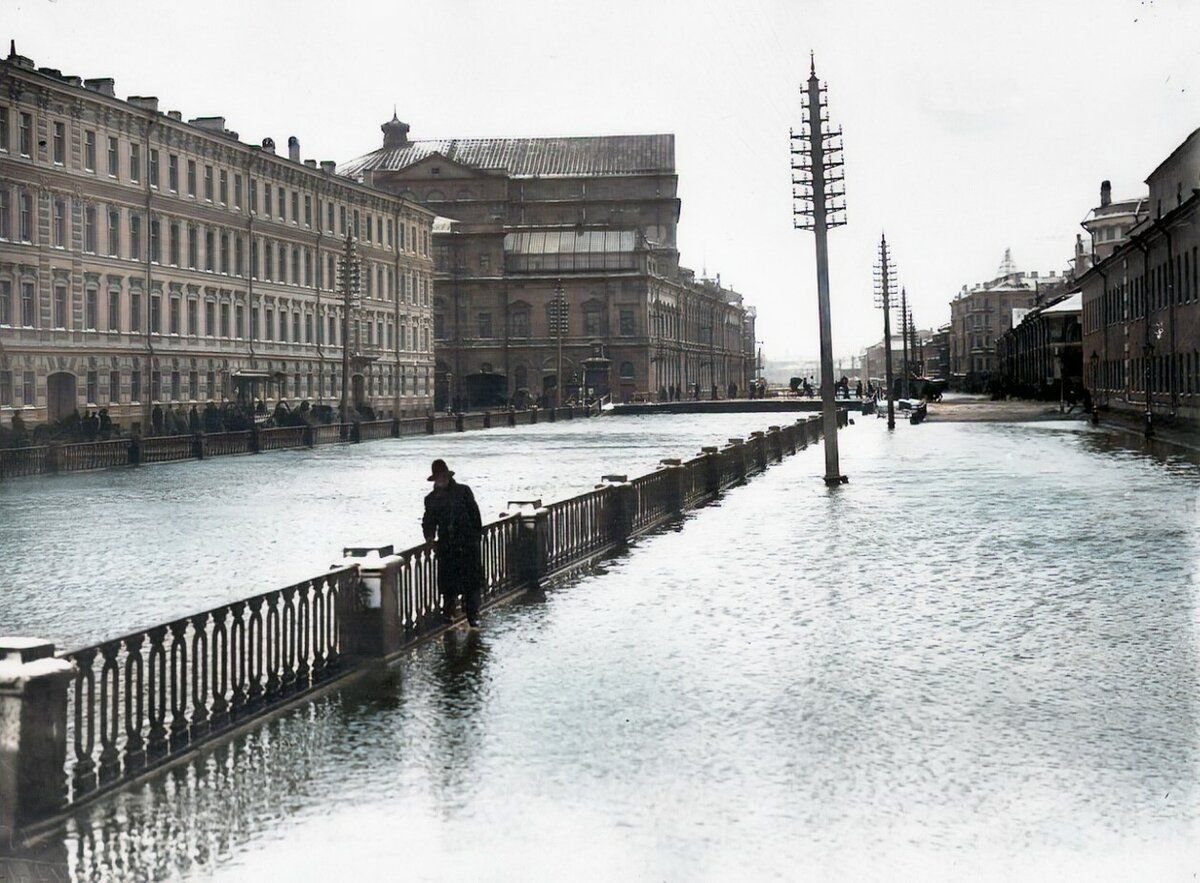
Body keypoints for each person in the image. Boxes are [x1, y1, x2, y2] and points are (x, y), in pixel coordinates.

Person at [422, 459, 484, 628]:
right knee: (448, 584)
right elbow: (429, 521)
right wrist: (429, 538)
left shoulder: (463, 491)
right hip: (447, 547)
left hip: (467, 545)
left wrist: (475, 537)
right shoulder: (431, 499)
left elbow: (475, 515)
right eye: (437, 477)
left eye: (442, 475)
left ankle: (473, 615)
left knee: (471, 583)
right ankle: (448, 614)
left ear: (447, 475)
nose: (440, 479)